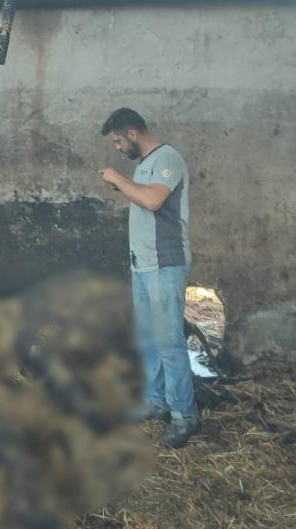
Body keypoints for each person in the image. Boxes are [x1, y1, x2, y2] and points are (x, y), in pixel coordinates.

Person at [99, 107, 200, 449]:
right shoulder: (144, 164)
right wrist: (126, 185)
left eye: (117, 141)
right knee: (149, 336)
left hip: (165, 264)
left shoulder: (168, 158)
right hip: (142, 264)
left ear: (132, 133)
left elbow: (155, 200)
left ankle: (184, 415)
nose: (117, 148)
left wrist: (119, 179)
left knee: (169, 339)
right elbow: (143, 197)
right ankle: (156, 402)